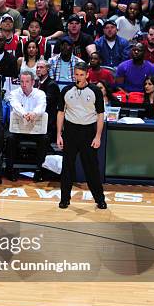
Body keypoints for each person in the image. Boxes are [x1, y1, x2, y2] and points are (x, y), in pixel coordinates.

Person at [57, 63, 107, 210]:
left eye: (81, 75)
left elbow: (100, 115)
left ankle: (100, 199)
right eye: (76, 74)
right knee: (67, 167)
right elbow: (60, 113)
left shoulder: (95, 91)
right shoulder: (66, 90)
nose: (78, 77)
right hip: (70, 132)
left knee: (92, 168)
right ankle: (64, 199)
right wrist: (59, 134)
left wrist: (98, 136)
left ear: (87, 75)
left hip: (88, 132)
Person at [5, 71, 48, 182]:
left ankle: (39, 170)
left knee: (44, 139)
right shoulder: (14, 93)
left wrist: (33, 113)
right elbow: (15, 105)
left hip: (35, 128)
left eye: (27, 81)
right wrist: (25, 114)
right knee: (9, 138)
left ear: (33, 82)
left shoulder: (40, 94)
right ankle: (9, 169)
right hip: (19, 128)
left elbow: (41, 107)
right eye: (22, 81)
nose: (24, 84)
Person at [37, 59, 61, 143]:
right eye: (37, 67)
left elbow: (46, 103)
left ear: (47, 69)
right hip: (37, 118)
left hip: (48, 122)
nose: (38, 69)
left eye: (41, 67)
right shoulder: (36, 83)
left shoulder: (52, 85)